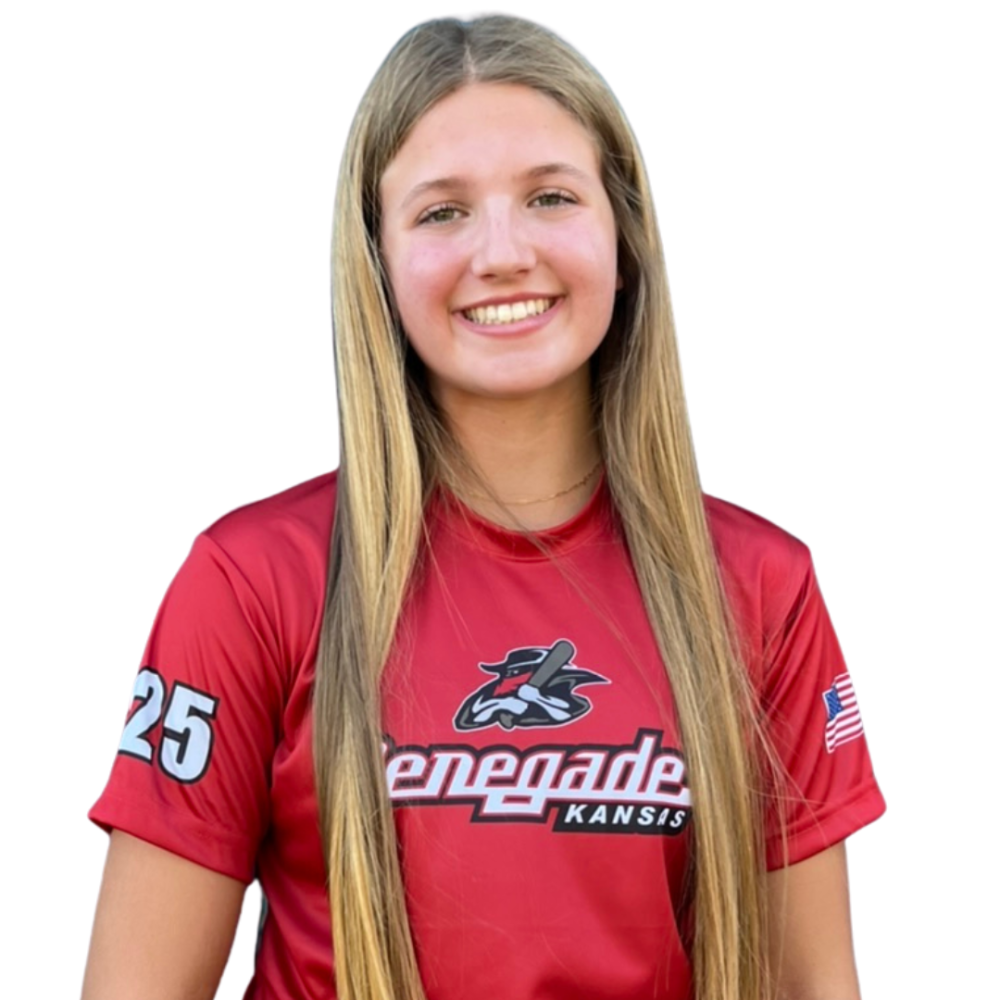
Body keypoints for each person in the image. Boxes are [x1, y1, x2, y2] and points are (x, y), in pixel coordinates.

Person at [82, 14, 884, 1000]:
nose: (502, 253)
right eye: (442, 212)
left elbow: (814, 985)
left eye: (550, 197)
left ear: (623, 239)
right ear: (376, 259)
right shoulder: (251, 582)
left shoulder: (762, 586)